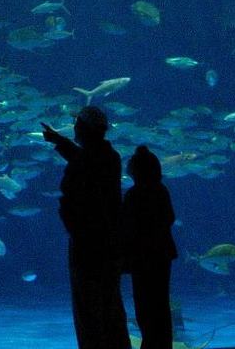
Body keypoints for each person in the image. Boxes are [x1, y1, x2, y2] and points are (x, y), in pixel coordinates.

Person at [42, 106, 130, 349]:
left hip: (87, 245)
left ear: (84, 129)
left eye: (77, 124)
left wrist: (71, 222)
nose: (74, 127)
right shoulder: (110, 157)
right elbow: (85, 158)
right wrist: (59, 141)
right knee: (111, 307)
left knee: (88, 312)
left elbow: (76, 183)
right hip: (110, 245)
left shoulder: (88, 161)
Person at [122, 145, 178, 349]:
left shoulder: (133, 195)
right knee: (160, 303)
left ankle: (152, 343)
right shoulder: (161, 189)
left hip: (142, 257)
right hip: (162, 254)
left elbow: (127, 226)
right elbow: (170, 218)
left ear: (136, 170)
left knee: (144, 305)